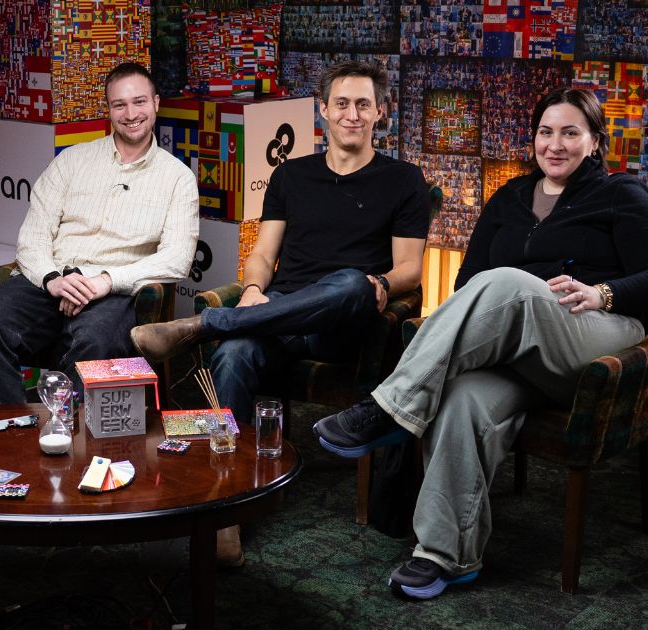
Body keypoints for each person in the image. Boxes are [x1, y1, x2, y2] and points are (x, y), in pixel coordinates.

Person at [313, 87, 648, 599]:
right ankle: (445, 556)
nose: (555, 145)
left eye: (570, 133)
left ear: (595, 141)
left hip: (597, 338)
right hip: (522, 355)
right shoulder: (508, 197)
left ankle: (391, 409)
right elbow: (468, 282)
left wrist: (602, 293)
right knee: (463, 400)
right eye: (545, 132)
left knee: (508, 283)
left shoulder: (622, 194)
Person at [128, 60, 430, 566]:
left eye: (363, 105)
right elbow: (263, 255)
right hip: (278, 316)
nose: (352, 114)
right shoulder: (291, 175)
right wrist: (250, 289)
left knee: (351, 281)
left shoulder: (403, 180)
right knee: (232, 355)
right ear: (323, 110)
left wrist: (379, 283)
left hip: (343, 325)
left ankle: (202, 325)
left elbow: (410, 270)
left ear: (381, 112)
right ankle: (225, 512)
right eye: (341, 103)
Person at [0, 62, 198, 405]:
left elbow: (177, 259)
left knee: (94, 342)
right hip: (51, 280)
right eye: (119, 105)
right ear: (108, 109)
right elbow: (32, 238)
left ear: (156, 103)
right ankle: (13, 428)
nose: (131, 114)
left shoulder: (177, 178)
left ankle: (66, 433)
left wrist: (105, 281)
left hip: (113, 291)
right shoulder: (71, 161)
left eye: (139, 102)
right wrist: (52, 280)